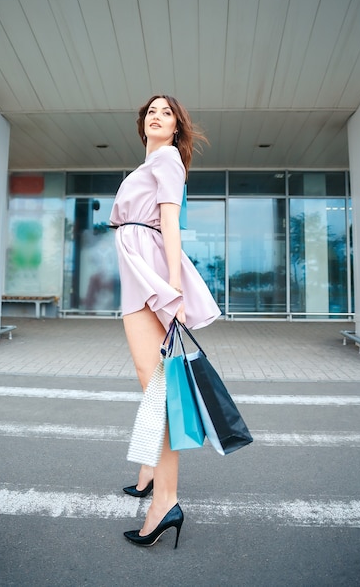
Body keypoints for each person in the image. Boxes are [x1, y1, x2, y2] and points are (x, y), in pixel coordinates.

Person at [109, 95, 221, 548]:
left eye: (166, 112)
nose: (157, 115)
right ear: (144, 125)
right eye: (151, 111)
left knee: (156, 388)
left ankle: (166, 501)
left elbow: (170, 226)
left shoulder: (168, 158)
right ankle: (150, 474)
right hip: (136, 271)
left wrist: (172, 290)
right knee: (153, 382)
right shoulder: (150, 162)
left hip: (151, 276)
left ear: (176, 127)